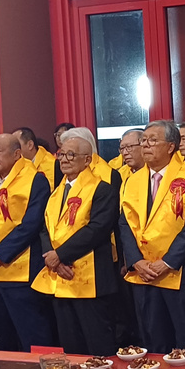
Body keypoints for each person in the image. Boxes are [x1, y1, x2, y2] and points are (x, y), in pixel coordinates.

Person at [119, 121, 185, 356]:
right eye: (144, 141)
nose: (146, 145)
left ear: (171, 146)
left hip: (181, 273)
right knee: (153, 341)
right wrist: (136, 261)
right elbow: (124, 223)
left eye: (152, 140)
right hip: (144, 274)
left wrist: (167, 262)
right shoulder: (133, 180)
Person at [33, 131, 120, 356]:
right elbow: (45, 228)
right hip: (59, 275)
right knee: (70, 342)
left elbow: (98, 229)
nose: (64, 159)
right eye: (62, 154)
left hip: (91, 276)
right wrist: (52, 258)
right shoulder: (57, 192)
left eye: (71, 155)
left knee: (97, 339)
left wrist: (59, 255)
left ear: (88, 159)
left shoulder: (102, 188)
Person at [0, 134, 55, 352]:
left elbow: (31, 224)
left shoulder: (36, 179)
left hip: (21, 269)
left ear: (17, 154)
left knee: (32, 332)